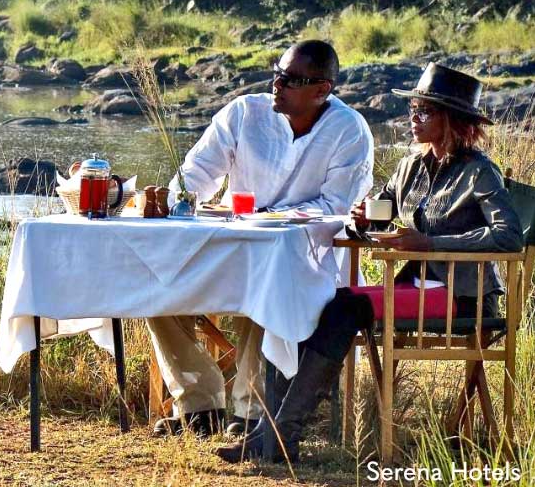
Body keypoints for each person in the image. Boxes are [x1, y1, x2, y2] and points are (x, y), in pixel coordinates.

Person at [216, 62, 524, 462]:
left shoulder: (480, 172)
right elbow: (379, 211)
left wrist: (429, 243)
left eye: (424, 112)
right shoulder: (412, 166)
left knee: (345, 307)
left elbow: (509, 236)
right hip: (415, 288)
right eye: (412, 109)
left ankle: (280, 436)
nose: (414, 119)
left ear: (453, 120)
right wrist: (363, 220)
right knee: (305, 303)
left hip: (463, 296)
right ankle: (269, 433)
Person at [149, 40, 375, 438]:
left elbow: (336, 206)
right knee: (155, 284)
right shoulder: (242, 113)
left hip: (305, 258)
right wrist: (175, 202)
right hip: (228, 245)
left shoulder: (350, 131)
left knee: (267, 285)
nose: (277, 84)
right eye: (277, 73)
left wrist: (267, 220)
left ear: (322, 90)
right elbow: (197, 175)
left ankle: (250, 412)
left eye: (290, 79)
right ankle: (201, 405)